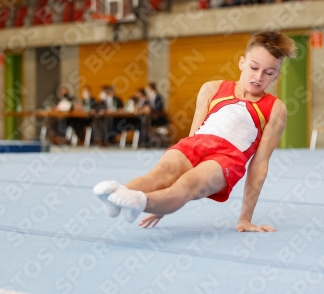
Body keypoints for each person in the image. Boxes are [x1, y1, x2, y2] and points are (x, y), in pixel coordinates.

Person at [93, 31, 296, 232]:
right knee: (161, 173)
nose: (258, 77)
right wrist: (164, 201)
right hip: (197, 143)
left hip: (228, 158)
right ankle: (117, 196)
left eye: (269, 73)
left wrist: (245, 218)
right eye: (254, 67)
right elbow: (193, 137)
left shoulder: (275, 108)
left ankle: (140, 201)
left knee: (188, 184)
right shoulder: (212, 88)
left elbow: (259, 165)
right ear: (242, 63)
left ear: (276, 75)